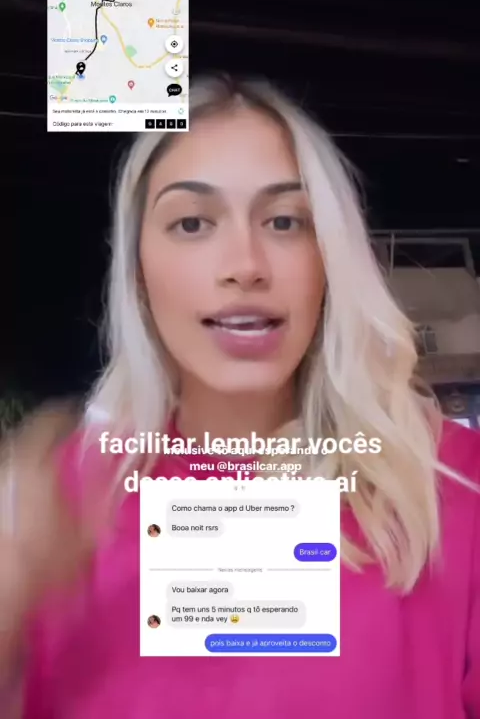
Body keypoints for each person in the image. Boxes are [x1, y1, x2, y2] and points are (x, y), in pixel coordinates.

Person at [0, 74, 479, 718]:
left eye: (284, 221)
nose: (245, 265)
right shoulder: (57, 505)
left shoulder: (452, 486)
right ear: (138, 271)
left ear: (330, 259)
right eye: (192, 223)